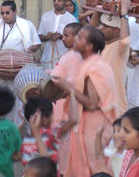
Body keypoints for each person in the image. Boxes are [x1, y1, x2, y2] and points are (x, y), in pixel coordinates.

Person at [57, 25, 117, 176]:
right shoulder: (91, 63)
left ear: (89, 46)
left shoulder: (95, 67)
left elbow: (91, 103)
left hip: (94, 126)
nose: (75, 39)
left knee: (94, 167)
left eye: (79, 38)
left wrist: (69, 87)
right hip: (90, 124)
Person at [89, 0, 131, 115]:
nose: (101, 28)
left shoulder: (120, 48)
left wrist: (124, 13)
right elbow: (90, 32)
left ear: (116, 30)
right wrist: (98, 10)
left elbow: (125, 40)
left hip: (115, 106)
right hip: (98, 104)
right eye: (102, 25)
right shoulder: (101, 43)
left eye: (106, 26)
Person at [20, 95, 78, 167]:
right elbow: (74, 119)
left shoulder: (25, 140)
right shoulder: (52, 134)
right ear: (45, 119)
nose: (52, 118)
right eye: (51, 114)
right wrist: (72, 93)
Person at [49, 22, 83, 126]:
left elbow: (72, 85)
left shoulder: (75, 56)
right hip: (58, 104)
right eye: (63, 35)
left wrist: (51, 95)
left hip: (63, 106)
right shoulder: (70, 53)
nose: (63, 39)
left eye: (66, 36)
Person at [39, 0, 78, 70]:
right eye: (54, 0)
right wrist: (48, 37)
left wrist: (61, 36)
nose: (56, 2)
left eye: (59, 0)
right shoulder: (46, 16)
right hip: (47, 59)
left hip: (64, 59)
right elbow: (39, 37)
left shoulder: (71, 19)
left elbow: (75, 41)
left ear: (65, 1)